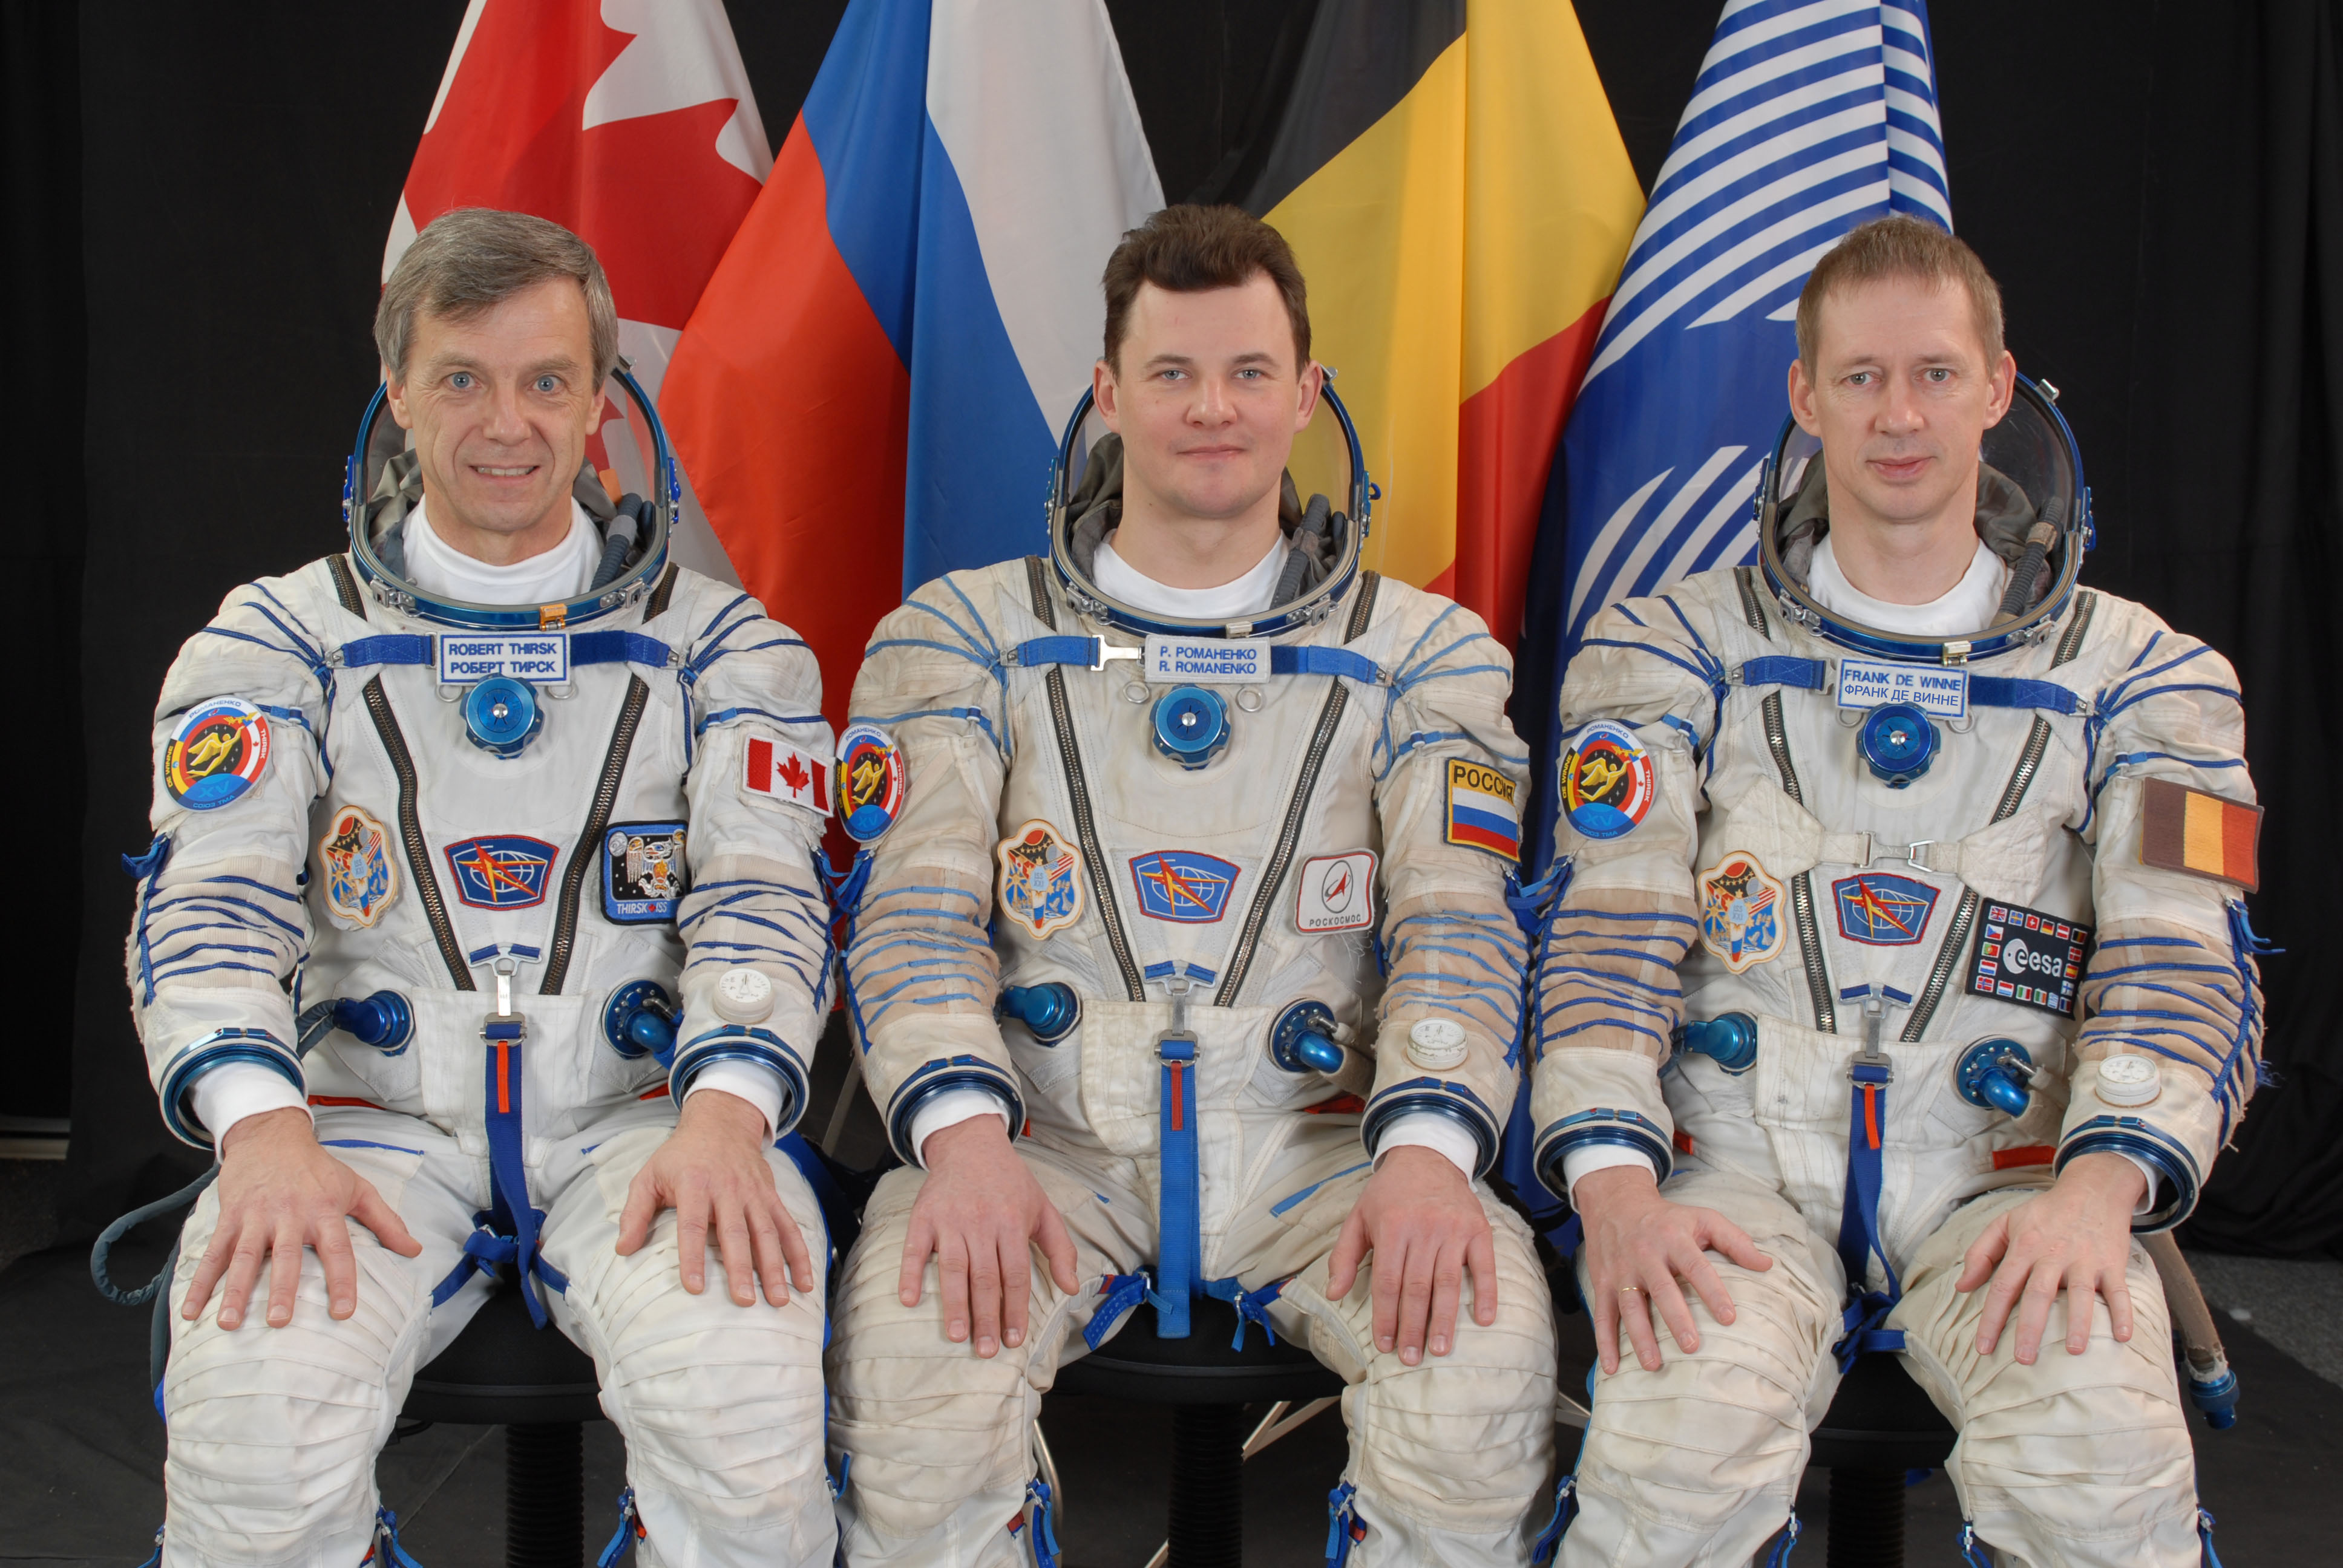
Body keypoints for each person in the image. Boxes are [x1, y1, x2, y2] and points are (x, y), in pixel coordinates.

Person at [825, 204, 1558, 1566]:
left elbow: (1457, 925)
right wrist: (961, 1142)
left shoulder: (1422, 655)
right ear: (1108, 397)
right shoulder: (966, 637)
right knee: (917, 1399)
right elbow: (915, 916)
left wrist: (1429, 1154)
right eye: (1169, 375)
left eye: (1245, 374)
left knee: (1479, 1374)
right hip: (1041, 1150)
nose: (1209, 411)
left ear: (1305, 393)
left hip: (1328, 1152)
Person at [1530, 214, 2263, 1566]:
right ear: (1805, 398)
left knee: (2104, 1474)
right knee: (1661, 1478)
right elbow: (1608, 933)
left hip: (2018, 1180)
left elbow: (2183, 959)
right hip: (1730, 1168)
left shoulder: (2150, 678)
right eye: (1859, 378)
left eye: (1933, 373)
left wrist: (2098, 1195)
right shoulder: (1668, 651)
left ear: (1998, 387)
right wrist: (1617, 1194)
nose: (1899, 414)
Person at [129, 209, 838, 1567]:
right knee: (252, 1440)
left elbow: (765, 897)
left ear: (600, 403)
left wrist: (730, 1111)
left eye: (544, 380)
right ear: (396, 394)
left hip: (653, 1126)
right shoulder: (280, 639)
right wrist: (259, 1130)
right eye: (460, 377)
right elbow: (212, 906)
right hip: (355, 1130)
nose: (504, 422)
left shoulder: (725, 649)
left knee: (746, 1423)